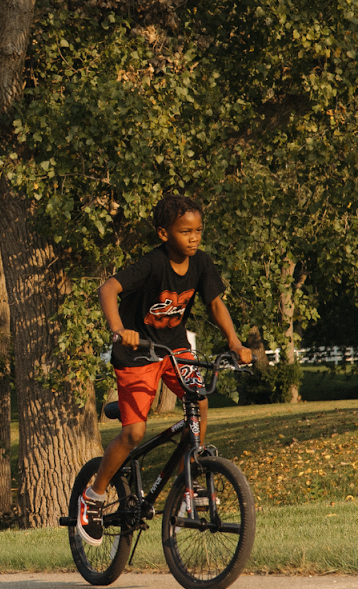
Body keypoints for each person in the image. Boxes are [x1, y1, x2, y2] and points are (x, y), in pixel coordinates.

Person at [76, 193, 253, 544]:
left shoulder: (201, 263)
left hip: (173, 348)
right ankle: (93, 497)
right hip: (138, 352)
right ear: (163, 233)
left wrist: (234, 342)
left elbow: (215, 303)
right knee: (134, 434)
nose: (194, 237)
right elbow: (108, 289)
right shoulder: (152, 265)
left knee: (199, 400)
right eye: (185, 231)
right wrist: (117, 330)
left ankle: (192, 479)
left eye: (198, 230)